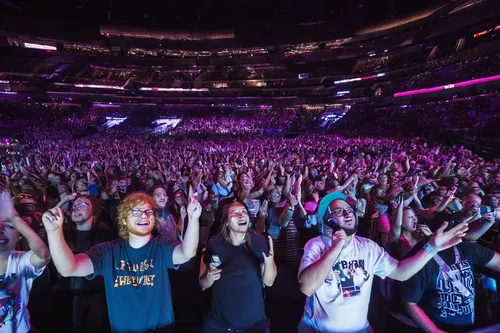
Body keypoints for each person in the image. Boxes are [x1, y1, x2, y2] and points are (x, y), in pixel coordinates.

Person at [297, 192, 468, 333]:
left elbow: (401, 273)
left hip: (360, 329)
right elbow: (307, 287)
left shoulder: (368, 247)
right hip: (317, 329)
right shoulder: (317, 245)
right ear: (328, 220)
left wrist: (432, 247)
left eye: (349, 209)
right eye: (339, 212)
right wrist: (335, 249)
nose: (348, 213)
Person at [42, 192, 201, 333]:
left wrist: (193, 219)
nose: (144, 216)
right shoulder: (108, 251)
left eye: (148, 212)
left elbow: (187, 252)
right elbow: (68, 268)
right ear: (124, 220)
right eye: (136, 212)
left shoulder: (161, 246)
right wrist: (54, 232)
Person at [199, 201, 277, 333]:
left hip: (254, 326)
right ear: (226, 222)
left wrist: (269, 261)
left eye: (244, 212)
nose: (241, 215)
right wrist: (209, 277)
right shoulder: (215, 243)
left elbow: (269, 282)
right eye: (234, 213)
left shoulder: (258, 241)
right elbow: (203, 284)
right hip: (219, 326)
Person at [0, 191, 51, 333]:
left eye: (10, 226)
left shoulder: (20, 261)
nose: (2, 230)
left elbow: (43, 256)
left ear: (20, 236)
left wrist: (14, 218)